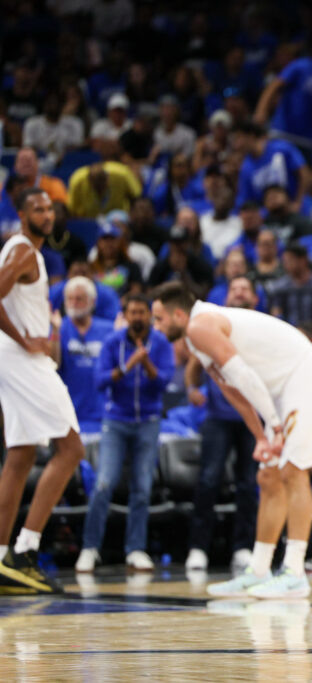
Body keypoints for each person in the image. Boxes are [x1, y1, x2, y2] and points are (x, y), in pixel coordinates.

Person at [152, 281, 312, 599]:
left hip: (303, 375)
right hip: (283, 388)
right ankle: (259, 571)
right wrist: (261, 435)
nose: (157, 327)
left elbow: (245, 376)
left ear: (178, 314)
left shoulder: (200, 326)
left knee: (293, 469)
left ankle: (294, 572)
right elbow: (231, 389)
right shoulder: (196, 337)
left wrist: (274, 425)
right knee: (269, 476)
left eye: (159, 319)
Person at [0, 188, 85, 593]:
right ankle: (26, 550)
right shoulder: (24, 253)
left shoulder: (21, 252)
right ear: (21, 214)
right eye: (38, 208)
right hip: (21, 361)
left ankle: (2, 558)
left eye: (50, 208)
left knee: (20, 455)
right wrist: (24, 340)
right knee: (71, 449)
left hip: (11, 360)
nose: (47, 214)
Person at [75, 294, 174, 572]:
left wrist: (147, 364)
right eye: (133, 312)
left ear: (149, 316)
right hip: (116, 420)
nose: (139, 317)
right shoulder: (112, 343)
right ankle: (90, 547)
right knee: (104, 483)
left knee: (142, 488)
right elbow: (100, 381)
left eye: (143, 312)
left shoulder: (161, 343)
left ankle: (136, 549)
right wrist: (128, 365)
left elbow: (164, 382)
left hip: (148, 421)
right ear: (126, 315)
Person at [183, 278, 261, 573]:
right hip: (218, 416)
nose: (239, 291)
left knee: (247, 484)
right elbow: (194, 365)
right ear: (227, 297)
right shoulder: (218, 324)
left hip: (251, 417)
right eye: (234, 288)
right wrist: (192, 389)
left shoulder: (260, 327)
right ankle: (198, 547)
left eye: (245, 287)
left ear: (254, 297)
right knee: (208, 480)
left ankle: (243, 547)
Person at [56, 276, 114, 435]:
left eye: (79, 299)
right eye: (70, 298)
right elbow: (53, 364)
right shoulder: (58, 329)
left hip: (103, 414)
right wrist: (54, 334)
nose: (74, 303)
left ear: (93, 301)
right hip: (68, 413)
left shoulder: (109, 330)